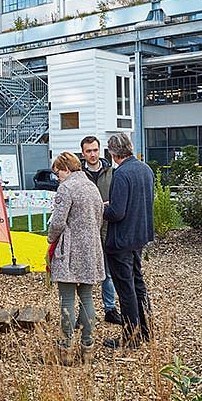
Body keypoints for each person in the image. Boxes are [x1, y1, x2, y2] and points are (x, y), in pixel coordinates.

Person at [47, 152, 106, 365]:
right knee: (87, 298)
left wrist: (50, 240)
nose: (57, 177)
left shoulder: (66, 188)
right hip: (91, 248)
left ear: (66, 168)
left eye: (58, 172)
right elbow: (99, 217)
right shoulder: (92, 186)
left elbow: (58, 222)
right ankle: (88, 347)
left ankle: (66, 348)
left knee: (68, 299)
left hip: (69, 250)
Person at [101, 133, 155, 349]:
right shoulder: (145, 169)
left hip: (122, 238)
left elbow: (117, 213)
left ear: (112, 153)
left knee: (126, 289)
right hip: (139, 235)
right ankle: (146, 329)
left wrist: (102, 207)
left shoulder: (121, 174)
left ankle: (131, 337)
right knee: (138, 283)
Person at [79, 135, 121, 326]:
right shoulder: (78, 174)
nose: (92, 154)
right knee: (82, 272)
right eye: (89, 151)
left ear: (100, 150)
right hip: (85, 229)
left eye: (95, 150)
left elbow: (118, 197)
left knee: (108, 272)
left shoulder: (112, 172)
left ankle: (110, 308)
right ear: (83, 153)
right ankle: (83, 312)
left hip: (106, 227)